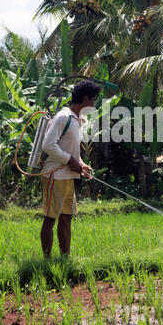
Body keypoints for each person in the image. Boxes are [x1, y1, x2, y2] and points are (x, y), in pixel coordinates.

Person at [40, 80, 100, 258]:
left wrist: (80, 164)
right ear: (85, 98)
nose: (94, 104)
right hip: (54, 175)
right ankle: (47, 260)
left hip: (68, 176)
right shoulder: (63, 117)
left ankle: (65, 258)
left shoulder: (78, 120)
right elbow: (48, 145)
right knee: (50, 219)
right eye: (93, 100)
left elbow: (70, 148)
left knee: (66, 218)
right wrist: (69, 160)